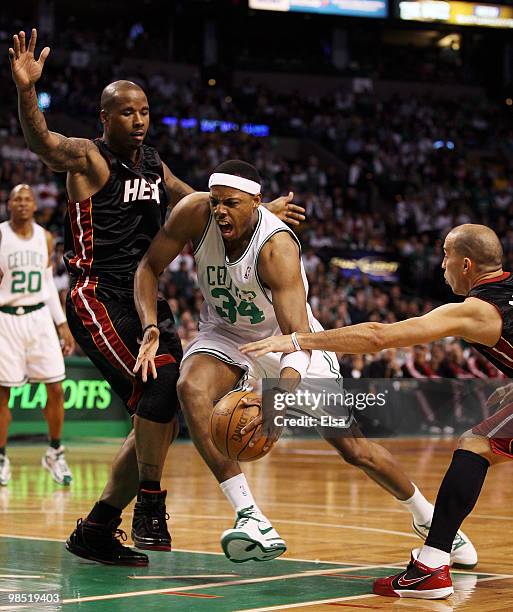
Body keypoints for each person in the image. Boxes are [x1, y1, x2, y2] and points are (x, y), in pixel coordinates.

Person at [9, 28, 304, 566]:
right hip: (99, 297)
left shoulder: (152, 162)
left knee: (160, 410)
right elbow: (42, 144)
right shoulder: (89, 160)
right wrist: (28, 92)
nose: (138, 119)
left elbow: (201, 202)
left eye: (144, 110)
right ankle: (149, 503)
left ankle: (97, 529)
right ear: (105, 118)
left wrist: (257, 217)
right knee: (163, 387)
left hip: (145, 296)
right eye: (126, 112)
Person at [134, 160, 475, 566]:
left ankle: (432, 521)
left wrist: (276, 402)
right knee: (189, 386)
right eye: (216, 202)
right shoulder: (195, 212)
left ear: (257, 203)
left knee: (354, 449)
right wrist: (151, 326)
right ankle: (250, 516)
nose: (221, 211)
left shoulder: (277, 247)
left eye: (232, 203)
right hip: (225, 333)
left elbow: (298, 339)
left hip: (289, 342)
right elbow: (149, 267)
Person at [241, 223, 511, 599]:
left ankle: (431, 567)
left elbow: (377, 336)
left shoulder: (477, 311)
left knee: (475, 447)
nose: (441, 265)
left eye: (446, 256)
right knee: (476, 444)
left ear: (466, 265)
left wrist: (299, 338)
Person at [0, 184, 74, 486]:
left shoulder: (45, 238)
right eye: (16, 198)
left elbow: (46, 286)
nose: (21, 203)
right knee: (2, 394)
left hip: (40, 317)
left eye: (27, 199)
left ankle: (55, 452)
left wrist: (62, 324)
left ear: (34, 205)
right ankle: (2, 456)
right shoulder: (1, 235)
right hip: (6, 319)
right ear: (8, 205)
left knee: (56, 387)